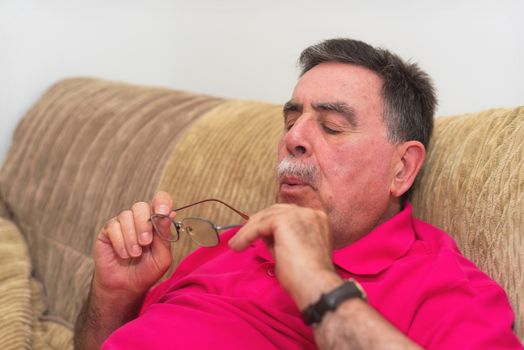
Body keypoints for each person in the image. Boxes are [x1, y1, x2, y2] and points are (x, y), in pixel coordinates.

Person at [74, 38, 522, 349]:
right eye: (291, 121)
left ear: (402, 168)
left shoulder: (445, 288)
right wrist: (113, 296)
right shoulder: (231, 242)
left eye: (331, 126)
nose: (294, 138)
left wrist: (315, 280)